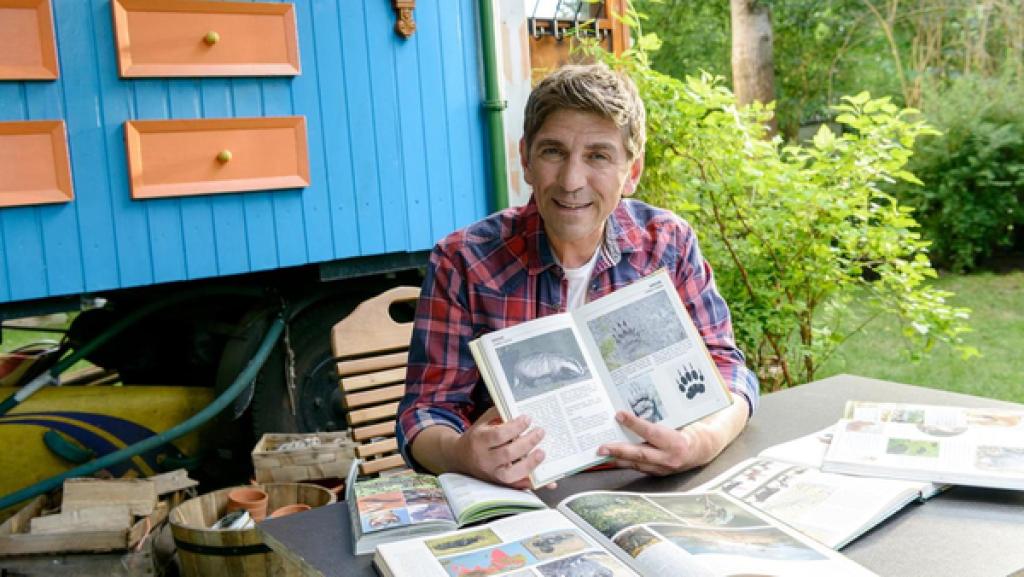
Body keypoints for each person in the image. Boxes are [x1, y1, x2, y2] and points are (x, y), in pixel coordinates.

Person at [396, 62, 759, 488]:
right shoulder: (462, 260)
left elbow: (727, 369)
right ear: (525, 160)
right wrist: (462, 454)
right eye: (553, 151)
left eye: (598, 156)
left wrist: (700, 441)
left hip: (648, 483)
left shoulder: (667, 243)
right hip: (522, 498)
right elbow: (425, 412)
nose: (571, 181)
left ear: (633, 173)